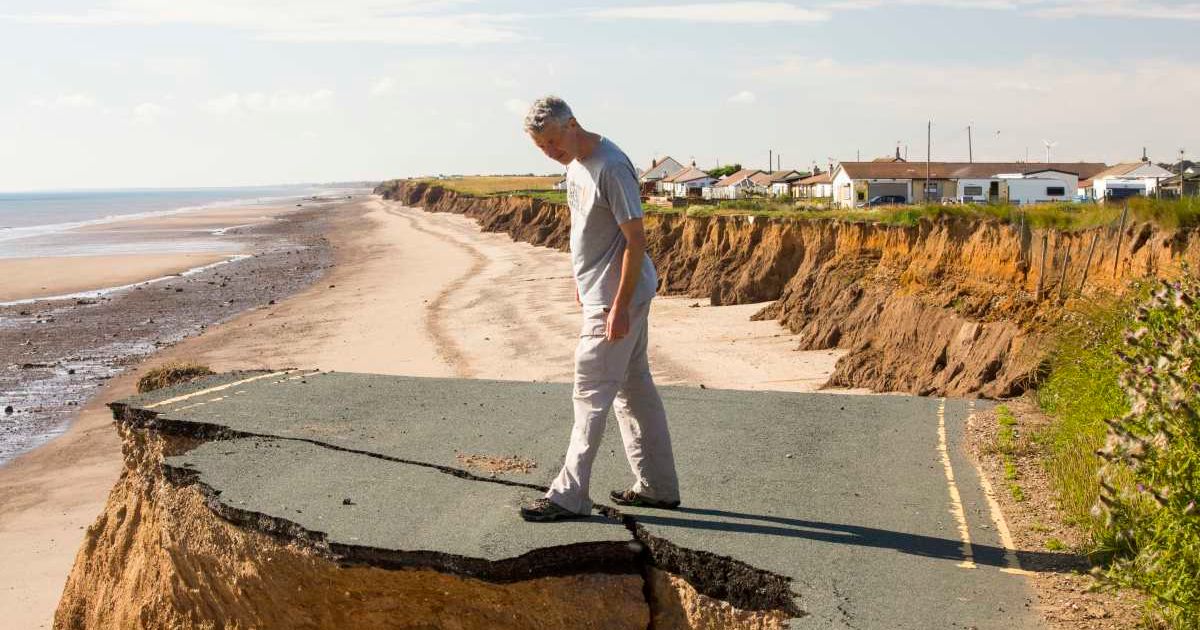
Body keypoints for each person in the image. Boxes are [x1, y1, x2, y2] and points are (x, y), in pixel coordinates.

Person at [519, 95, 680, 522]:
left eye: (553, 142)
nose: (552, 153)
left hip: (617, 297)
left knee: (589, 393)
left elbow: (635, 241)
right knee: (635, 387)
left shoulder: (611, 166)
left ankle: (568, 496)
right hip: (601, 292)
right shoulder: (574, 165)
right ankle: (658, 487)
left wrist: (618, 306)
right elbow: (586, 228)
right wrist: (580, 278)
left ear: (572, 124)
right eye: (542, 148)